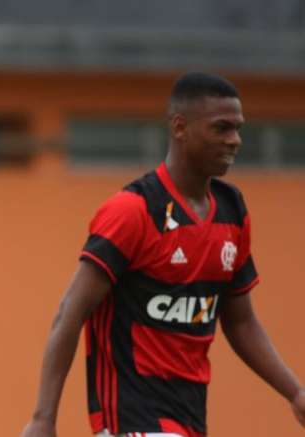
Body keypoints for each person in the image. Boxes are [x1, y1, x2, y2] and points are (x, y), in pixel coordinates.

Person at [21, 72, 305, 437]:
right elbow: (71, 312)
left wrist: (294, 391)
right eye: (221, 128)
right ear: (180, 127)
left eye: (238, 129)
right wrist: (43, 418)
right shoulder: (133, 211)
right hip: (130, 420)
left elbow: (240, 321)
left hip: (189, 420)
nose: (234, 140)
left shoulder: (232, 211)